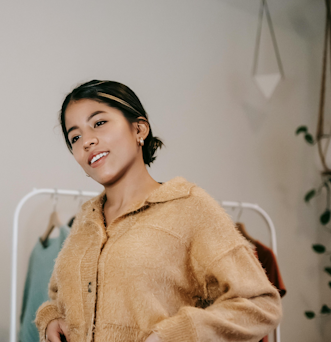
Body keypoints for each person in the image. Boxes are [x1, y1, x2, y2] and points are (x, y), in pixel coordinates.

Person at [35, 80, 282, 342]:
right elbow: (58, 296)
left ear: (139, 128)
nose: (87, 141)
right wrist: (50, 318)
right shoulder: (85, 220)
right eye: (75, 137)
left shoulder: (189, 207)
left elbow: (260, 303)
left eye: (98, 123)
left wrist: (173, 336)